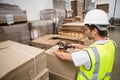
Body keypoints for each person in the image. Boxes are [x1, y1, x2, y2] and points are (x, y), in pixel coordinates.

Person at [51, 9, 116, 80]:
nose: (85, 33)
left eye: (86, 30)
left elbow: (64, 56)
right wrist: (78, 45)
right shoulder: (112, 44)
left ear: (94, 31)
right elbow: (96, 51)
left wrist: (54, 51)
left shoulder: (87, 55)